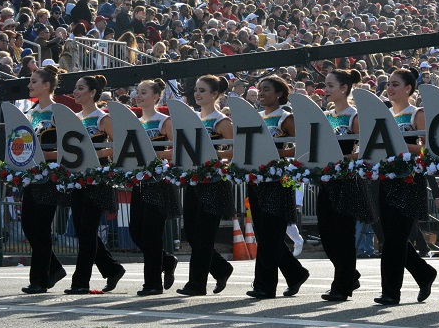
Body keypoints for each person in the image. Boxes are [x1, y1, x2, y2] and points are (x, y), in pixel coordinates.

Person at [373, 67, 437, 305]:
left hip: (409, 181)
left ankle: (391, 292)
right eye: (388, 84)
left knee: (396, 239)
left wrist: (399, 144)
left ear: (408, 88)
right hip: (386, 181)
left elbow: (430, 148)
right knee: (390, 238)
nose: (389, 88)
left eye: (395, 84)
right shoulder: (384, 114)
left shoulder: (416, 113)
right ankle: (424, 273)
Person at [246, 76, 309, 299]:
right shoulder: (256, 117)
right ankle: (295, 273)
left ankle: (264, 286)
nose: (261, 93)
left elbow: (304, 144)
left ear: (279, 94)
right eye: (259, 89)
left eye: (266, 89)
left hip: (279, 181)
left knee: (271, 234)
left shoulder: (285, 117)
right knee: (265, 235)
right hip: (256, 181)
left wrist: (278, 153)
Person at [64, 75, 125, 294]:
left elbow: (121, 144)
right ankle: (112, 268)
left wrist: (96, 153)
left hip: (98, 179)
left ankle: (80, 281)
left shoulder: (102, 118)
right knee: (82, 230)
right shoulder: (75, 117)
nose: (75, 91)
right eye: (75, 88)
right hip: (78, 179)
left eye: (81, 88)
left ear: (92, 93)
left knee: (87, 231)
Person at [318, 69, 374, 301]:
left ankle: (341, 286)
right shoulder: (326, 115)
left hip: (347, 180)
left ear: (344, 88)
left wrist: (344, 160)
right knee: (327, 235)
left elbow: (367, 149)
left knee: (343, 235)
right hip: (327, 180)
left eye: (330, 86)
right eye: (326, 85)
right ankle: (349, 273)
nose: (326, 90)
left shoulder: (355, 116)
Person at [176, 75, 234, 296]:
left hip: (215, 182)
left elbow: (234, 150)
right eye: (196, 90)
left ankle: (197, 284)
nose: (197, 94)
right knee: (191, 232)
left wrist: (212, 155)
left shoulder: (222, 122)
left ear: (215, 95)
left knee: (204, 235)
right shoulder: (193, 119)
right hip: (194, 181)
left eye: (202, 90)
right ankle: (221, 268)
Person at [130, 79, 180, 296]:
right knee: (136, 232)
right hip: (139, 183)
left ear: (156, 97)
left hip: (158, 183)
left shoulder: (164, 121)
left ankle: (152, 283)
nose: (139, 96)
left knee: (151, 234)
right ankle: (166, 261)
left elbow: (180, 149)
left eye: (143, 92)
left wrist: (157, 155)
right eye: (137, 92)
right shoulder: (136, 122)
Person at [21, 66, 66, 294]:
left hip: (50, 175)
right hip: (31, 175)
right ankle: (54, 268)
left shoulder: (59, 112)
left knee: (40, 227)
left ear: (46, 85)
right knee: (29, 225)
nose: (29, 85)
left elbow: (68, 148)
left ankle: (39, 279)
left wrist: (46, 157)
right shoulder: (31, 111)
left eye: (33, 81)